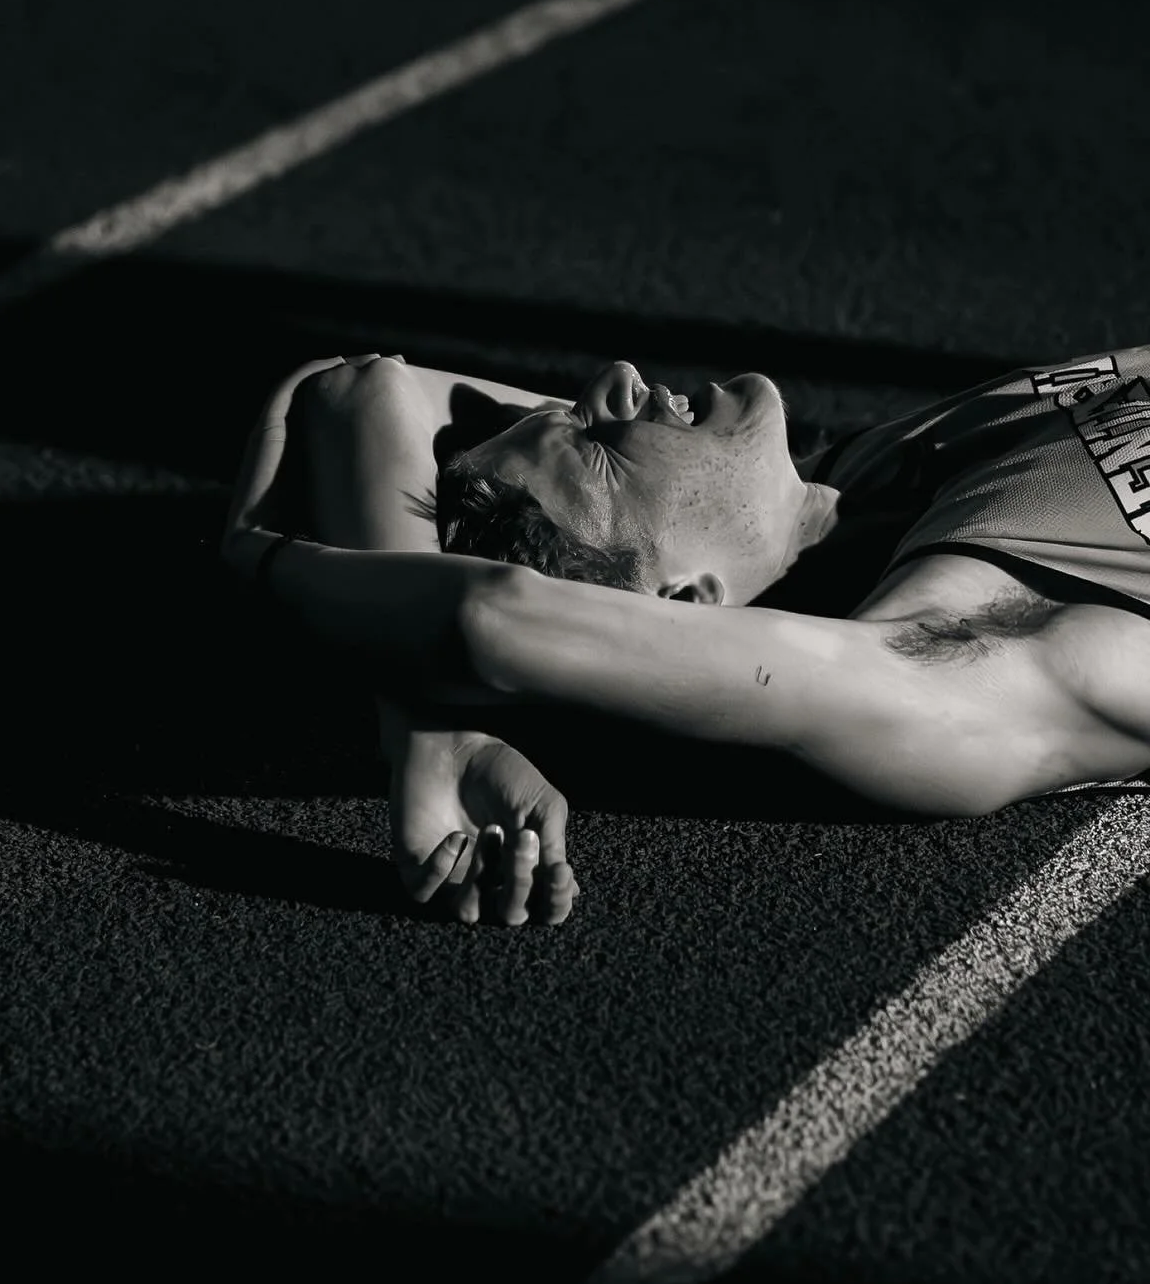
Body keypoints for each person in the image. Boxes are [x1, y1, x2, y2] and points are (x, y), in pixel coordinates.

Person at [222, 346, 1150, 927]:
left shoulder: (850, 485)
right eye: (598, 444)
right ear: (684, 601)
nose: (613, 382)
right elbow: (492, 618)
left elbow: (360, 387)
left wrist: (420, 721)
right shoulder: (971, 653)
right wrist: (255, 552)